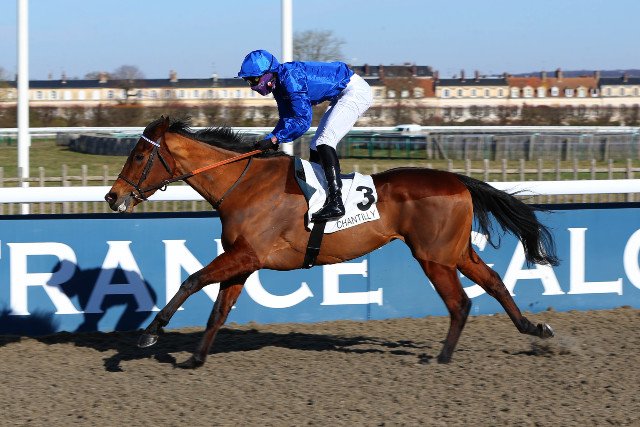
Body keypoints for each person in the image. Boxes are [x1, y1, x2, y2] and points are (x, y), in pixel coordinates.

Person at [237, 49, 373, 222]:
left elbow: (302, 121)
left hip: (355, 92)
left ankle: (336, 202)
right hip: (342, 94)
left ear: (268, 74)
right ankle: (320, 195)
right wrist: (268, 139)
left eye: (254, 80)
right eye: (248, 81)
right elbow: (287, 119)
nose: (252, 86)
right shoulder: (279, 84)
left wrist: (275, 139)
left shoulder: (291, 79)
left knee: (324, 141)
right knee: (315, 146)